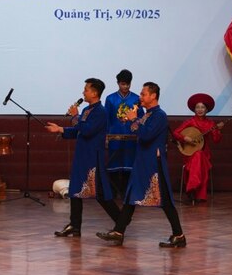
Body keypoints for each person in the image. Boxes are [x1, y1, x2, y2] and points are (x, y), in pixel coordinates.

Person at [96, 82, 186, 248]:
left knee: (164, 199)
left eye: (143, 94)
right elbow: (138, 130)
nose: (140, 97)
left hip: (153, 163)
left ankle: (179, 235)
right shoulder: (147, 114)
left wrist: (134, 119)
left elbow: (145, 135)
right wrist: (130, 120)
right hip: (142, 160)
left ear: (153, 96)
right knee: (131, 196)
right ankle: (118, 231)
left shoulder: (159, 115)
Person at [45, 78, 120, 237]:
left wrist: (74, 117)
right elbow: (78, 130)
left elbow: (86, 130)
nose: (83, 92)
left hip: (93, 157)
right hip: (82, 156)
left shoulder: (101, 111)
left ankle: (121, 223)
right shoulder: (87, 110)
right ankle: (75, 225)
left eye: (86, 89)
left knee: (100, 194)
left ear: (94, 93)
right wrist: (60, 129)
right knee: (75, 191)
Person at [172, 93, 224, 203]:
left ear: (206, 109)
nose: (200, 109)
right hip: (189, 155)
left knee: (199, 155)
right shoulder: (190, 122)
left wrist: (217, 130)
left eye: (202, 107)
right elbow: (175, 133)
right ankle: (197, 192)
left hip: (204, 155)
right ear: (194, 109)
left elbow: (216, 140)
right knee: (197, 155)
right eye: (197, 107)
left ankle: (192, 188)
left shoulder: (210, 123)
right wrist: (185, 138)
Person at [104, 69, 141, 197]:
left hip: (131, 138)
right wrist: (106, 137)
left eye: (127, 84)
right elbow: (107, 119)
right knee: (114, 165)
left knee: (129, 165)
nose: (125, 87)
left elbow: (140, 118)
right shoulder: (110, 99)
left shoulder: (137, 99)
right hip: (114, 137)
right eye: (122, 84)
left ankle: (127, 192)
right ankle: (113, 192)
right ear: (118, 83)